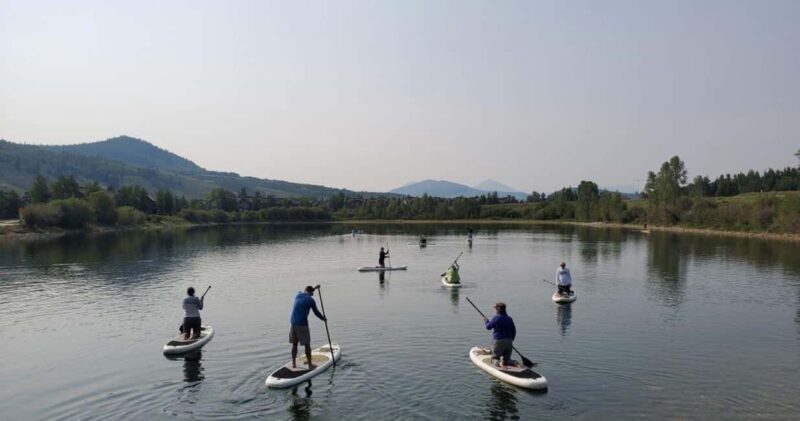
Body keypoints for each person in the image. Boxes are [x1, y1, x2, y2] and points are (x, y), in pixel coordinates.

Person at [289, 286, 327, 369]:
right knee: (307, 345)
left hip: (293, 323)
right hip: (302, 325)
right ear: (310, 292)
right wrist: (323, 318)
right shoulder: (311, 300)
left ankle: (293, 364)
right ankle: (310, 365)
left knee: (294, 344)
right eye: (312, 293)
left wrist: (313, 288)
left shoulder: (298, 295)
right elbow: (316, 312)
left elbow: (305, 291)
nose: (312, 295)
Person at [484, 302, 516, 369]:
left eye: (496, 309)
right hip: (509, 341)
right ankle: (512, 362)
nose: (495, 310)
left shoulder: (496, 318)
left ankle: (500, 364)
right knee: (507, 359)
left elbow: (488, 327)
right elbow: (514, 331)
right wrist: (511, 340)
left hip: (499, 341)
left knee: (494, 358)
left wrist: (486, 321)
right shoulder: (510, 319)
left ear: (498, 309)